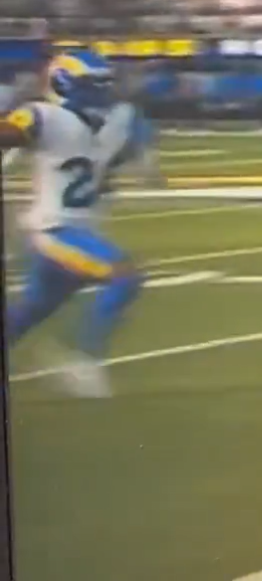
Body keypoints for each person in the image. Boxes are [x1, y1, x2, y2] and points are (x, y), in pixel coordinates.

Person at [0, 52, 157, 399]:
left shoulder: (108, 125)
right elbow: (12, 131)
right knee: (123, 275)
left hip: (75, 231)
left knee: (28, 313)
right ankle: (83, 359)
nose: (102, 93)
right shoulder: (46, 115)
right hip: (54, 232)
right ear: (65, 85)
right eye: (93, 86)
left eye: (103, 85)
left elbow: (106, 163)